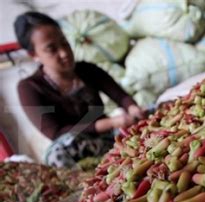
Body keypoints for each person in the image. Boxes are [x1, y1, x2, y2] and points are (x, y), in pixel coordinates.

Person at [14, 12, 145, 168]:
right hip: (80, 150)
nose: (63, 53)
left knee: (150, 113)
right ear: (33, 55)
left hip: (110, 138)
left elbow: (120, 96)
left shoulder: (87, 69)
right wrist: (111, 122)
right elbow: (56, 133)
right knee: (58, 152)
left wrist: (133, 108)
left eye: (64, 43)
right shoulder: (29, 88)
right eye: (51, 49)